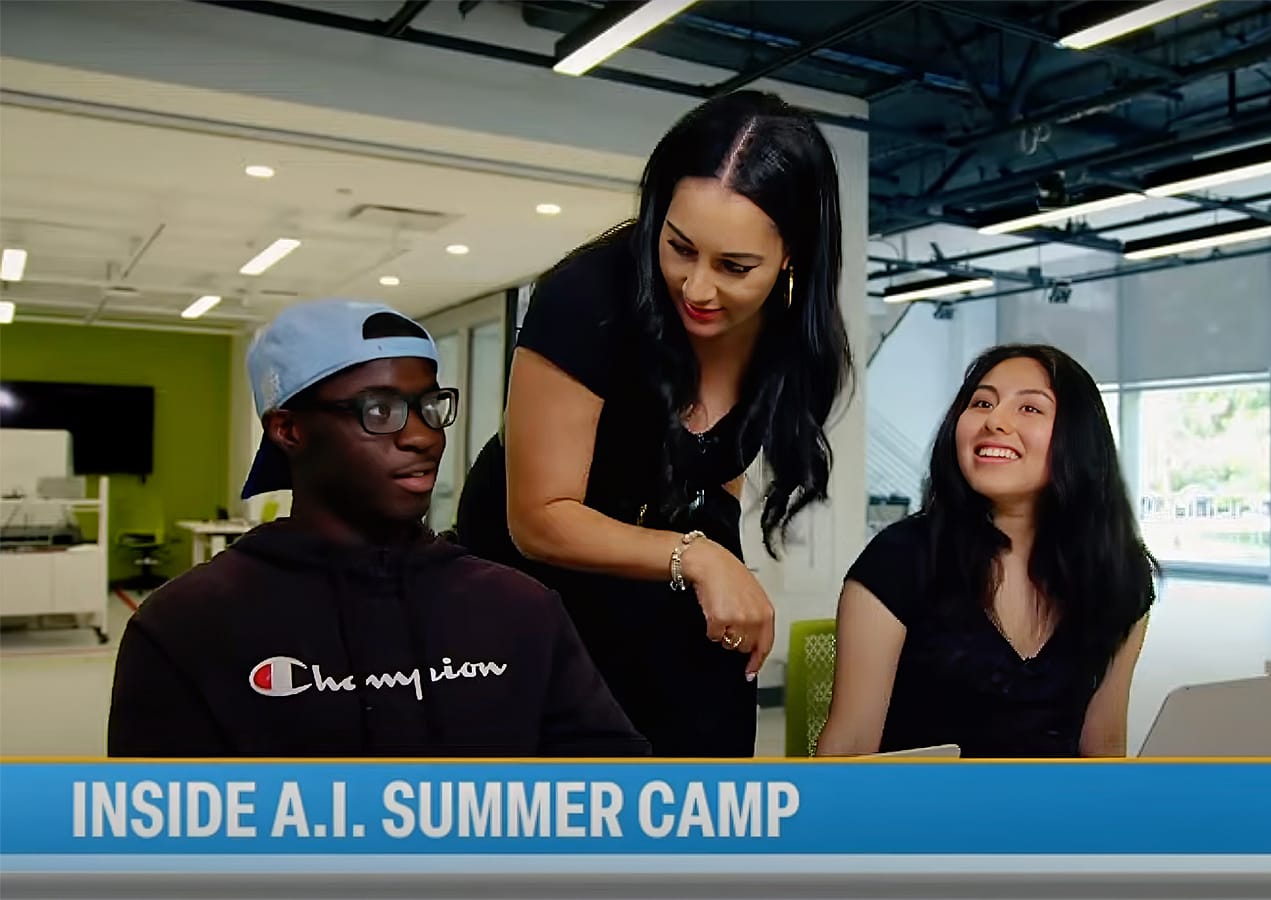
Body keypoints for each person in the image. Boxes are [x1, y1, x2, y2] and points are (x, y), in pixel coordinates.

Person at [453, 90, 853, 758]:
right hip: (538, 589)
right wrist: (698, 557)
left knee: (710, 776)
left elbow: (717, 468)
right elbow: (539, 516)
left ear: (792, 256)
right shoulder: (589, 297)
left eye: (734, 267)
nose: (697, 289)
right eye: (679, 247)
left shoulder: (791, 336)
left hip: (662, 571)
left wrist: (720, 574)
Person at [106, 299, 649, 758]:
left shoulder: (519, 608)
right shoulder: (189, 627)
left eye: (429, 406)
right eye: (380, 410)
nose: (423, 437)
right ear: (288, 429)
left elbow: (611, 796)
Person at [816, 344, 1158, 759]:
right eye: (981, 403)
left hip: (1052, 819)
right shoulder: (898, 560)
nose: (994, 421)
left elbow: (1104, 745)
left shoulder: (1122, 576)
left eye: (1030, 409)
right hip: (920, 818)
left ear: (1079, 437)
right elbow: (850, 749)